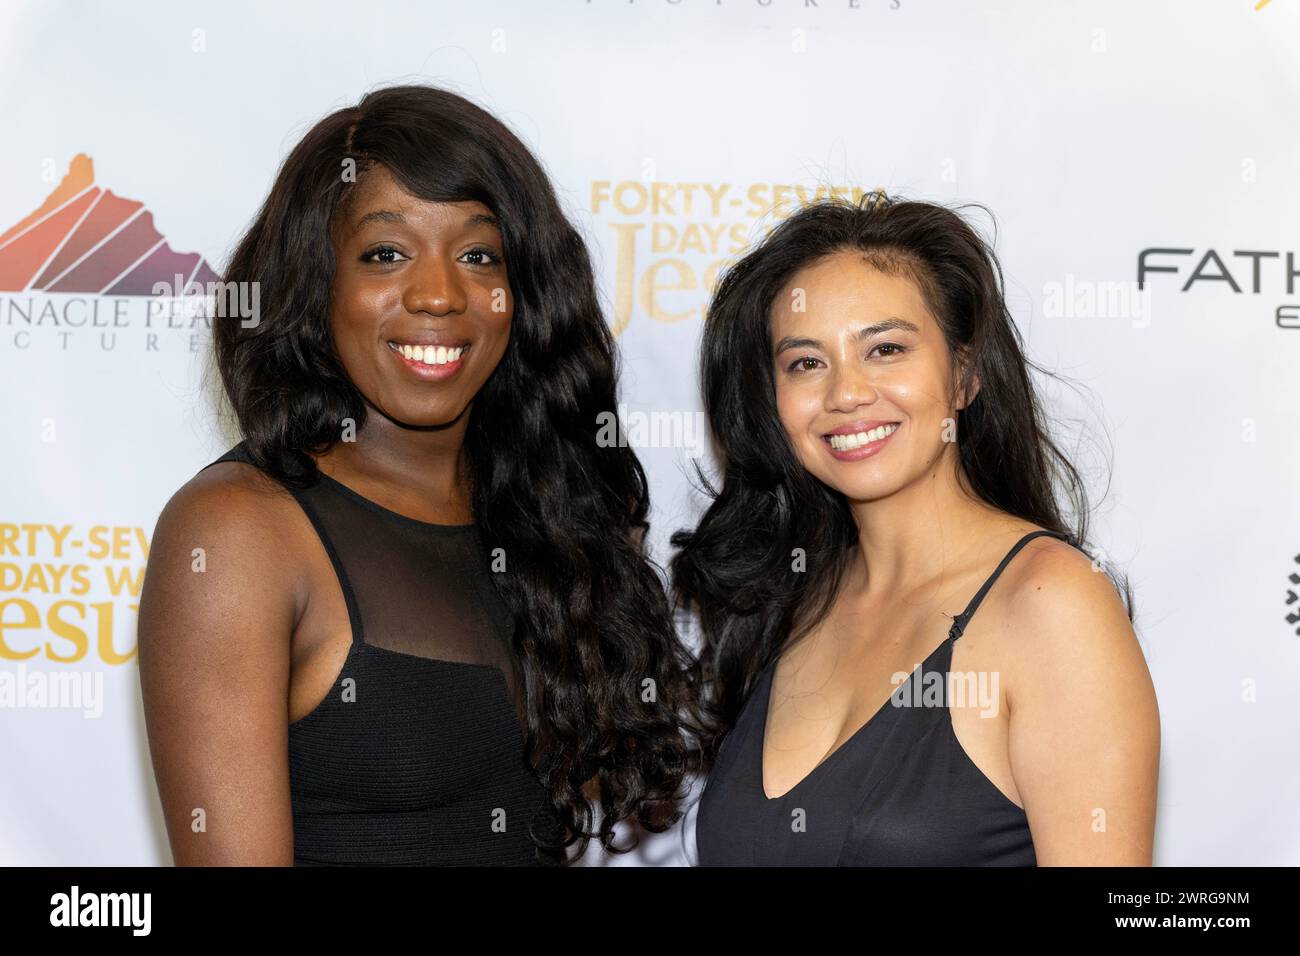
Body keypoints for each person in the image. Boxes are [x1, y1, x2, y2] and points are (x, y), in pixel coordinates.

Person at [138, 84, 695, 866]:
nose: (438, 293)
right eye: (386, 254)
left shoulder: (552, 522)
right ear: (316, 279)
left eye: (478, 255)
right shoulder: (240, 530)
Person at [673, 193, 1160, 865]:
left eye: (887, 349)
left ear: (964, 374)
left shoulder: (1052, 604)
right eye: (806, 363)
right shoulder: (787, 597)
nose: (846, 393)